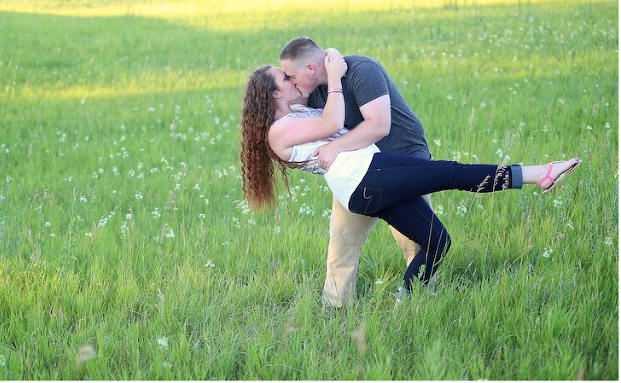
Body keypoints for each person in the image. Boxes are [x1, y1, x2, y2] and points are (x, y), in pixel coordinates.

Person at [239, 58, 581, 298]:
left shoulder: (295, 112)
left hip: (369, 179)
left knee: (438, 240)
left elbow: (329, 114)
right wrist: (333, 74)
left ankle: (408, 296)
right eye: (284, 78)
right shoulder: (278, 132)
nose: (290, 78)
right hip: (366, 177)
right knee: (451, 172)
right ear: (273, 94)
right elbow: (331, 123)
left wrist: (328, 73)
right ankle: (540, 174)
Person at [280, 36, 428, 306]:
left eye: (292, 75)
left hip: (404, 160)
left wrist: (334, 148)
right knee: (342, 243)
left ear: (311, 69)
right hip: (358, 174)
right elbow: (278, 99)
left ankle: (417, 300)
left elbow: (379, 125)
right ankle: (335, 307)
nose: (290, 82)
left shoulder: (362, 70)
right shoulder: (313, 93)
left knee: (414, 241)